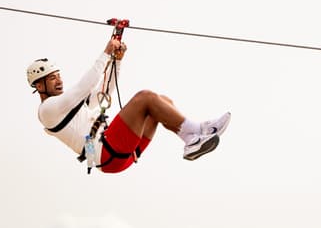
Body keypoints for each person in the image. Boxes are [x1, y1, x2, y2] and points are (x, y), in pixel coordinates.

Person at [27, 37, 230, 173]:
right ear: (39, 85)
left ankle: (193, 136)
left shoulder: (67, 106)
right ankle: (195, 132)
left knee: (162, 101)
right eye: (52, 78)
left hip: (119, 154)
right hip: (107, 153)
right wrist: (105, 53)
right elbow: (84, 86)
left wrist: (117, 61)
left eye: (58, 76)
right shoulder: (48, 111)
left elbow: (104, 92)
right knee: (145, 98)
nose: (59, 81)